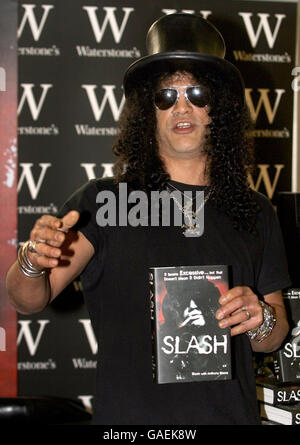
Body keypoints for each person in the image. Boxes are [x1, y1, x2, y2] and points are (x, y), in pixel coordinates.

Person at [6, 13, 291, 425]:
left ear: (220, 110)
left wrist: (259, 317)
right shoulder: (105, 201)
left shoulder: (256, 210)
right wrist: (33, 260)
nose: (182, 106)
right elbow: (28, 299)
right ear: (148, 112)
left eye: (198, 93)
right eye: (165, 96)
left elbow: (276, 333)